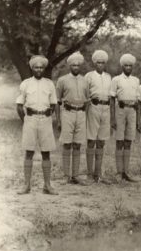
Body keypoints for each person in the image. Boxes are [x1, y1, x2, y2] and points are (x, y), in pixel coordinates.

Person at [15, 55, 58, 195]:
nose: (39, 70)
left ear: (44, 69)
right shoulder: (26, 84)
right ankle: (26, 185)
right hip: (31, 119)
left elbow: (53, 103)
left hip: (45, 119)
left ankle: (47, 185)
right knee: (29, 152)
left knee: (46, 153)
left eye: (41, 67)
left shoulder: (49, 84)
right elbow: (19, 106)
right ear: (32, 68)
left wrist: (50, 115)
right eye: (36, 67)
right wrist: (26, 120)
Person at [56, 52, 90, 185]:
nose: (76, 67)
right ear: (69, 66)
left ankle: (75, 175)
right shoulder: (62, 80)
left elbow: (87, 100)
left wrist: (84, 116)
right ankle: (66, 175)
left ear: (80, 66)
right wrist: (58, 120)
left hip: (81, 113)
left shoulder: (85, 80)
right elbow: (58, 101)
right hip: (67, 113)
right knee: (67, 144)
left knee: (77, 144)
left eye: (78, 65)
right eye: (73, 65)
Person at [109, 53, 140, 182]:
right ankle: (118, 171)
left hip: (132, 110)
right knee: (119, 141)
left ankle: (126, 172)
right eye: (126, 65)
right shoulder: (116, 79)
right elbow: (112, 99)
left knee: (128, 141)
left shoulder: (136, 80)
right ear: (122, 66)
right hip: (120, 110)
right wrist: (112, 118)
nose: (128, 67)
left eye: (130, 66)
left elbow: (138, 101)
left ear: (132, 67)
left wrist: (138, 119)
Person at [85, 50, 112, 184]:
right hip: (93, 107)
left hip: (106, 108)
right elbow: (84, 94)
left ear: (105, 64)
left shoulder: (108, 77)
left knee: (101, 141)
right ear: (94, 63)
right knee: (91, 140)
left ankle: (98, 174)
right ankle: (89, 174)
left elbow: (112, 96)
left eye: (102, 63)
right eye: (98, 63)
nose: (100, 65)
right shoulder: (89, 76)